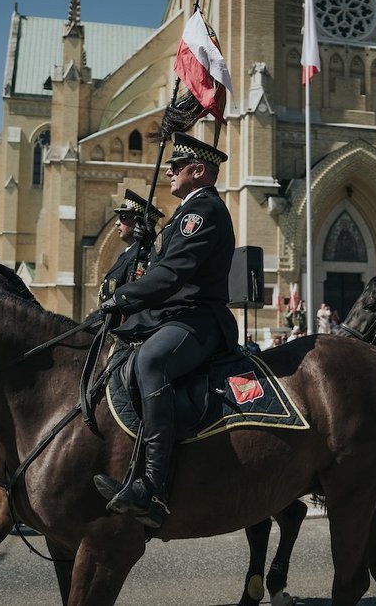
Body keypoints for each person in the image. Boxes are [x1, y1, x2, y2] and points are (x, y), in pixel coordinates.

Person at [94, 132, 237, 528]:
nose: (170, 172)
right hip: (175, 317)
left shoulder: (204, 210)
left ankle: (153, 485)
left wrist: (121, 300)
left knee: (151, 362)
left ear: (198, 170)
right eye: (171, 166)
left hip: (199, 320)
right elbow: (161, 267)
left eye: (178, 166)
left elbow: (174, 274)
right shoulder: (184, 214)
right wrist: (146, 248)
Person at [99, 189, 165, 303]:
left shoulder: (141, 256)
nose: (117, 223)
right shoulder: (128, 254)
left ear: (140, 223)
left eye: (123, 217)